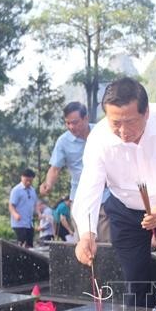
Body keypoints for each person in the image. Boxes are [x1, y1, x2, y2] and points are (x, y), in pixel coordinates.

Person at [72, 77, 156, 311]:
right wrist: (86, 233)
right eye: (115, 123)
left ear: (147, 113)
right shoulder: (99, 139)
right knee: (135, 280)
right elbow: (89, 189)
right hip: (126, 211)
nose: (123, 132)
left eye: (130, 122)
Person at [40, 102, 111, 242]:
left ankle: (106, 263)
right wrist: (48, 184)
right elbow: (55, 168)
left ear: (86, 118)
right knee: (83, 241)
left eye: (75, 122)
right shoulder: (63, 141)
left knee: (105, 240)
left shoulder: (102, 133)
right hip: (80, 196)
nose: (71, 127)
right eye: (67, 123)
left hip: (104, 194)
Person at [9, 168, 37, 248]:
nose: (28, 183)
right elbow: (11, 205)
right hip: (19, 224)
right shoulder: (16, 190)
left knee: (30, 245)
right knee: (21, 244)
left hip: (29, 223)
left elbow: (35, 203)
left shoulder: (32, 190)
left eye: (30, 181)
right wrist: (15, 214)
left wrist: (39, 213)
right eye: (26, 180)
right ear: (22, 178)